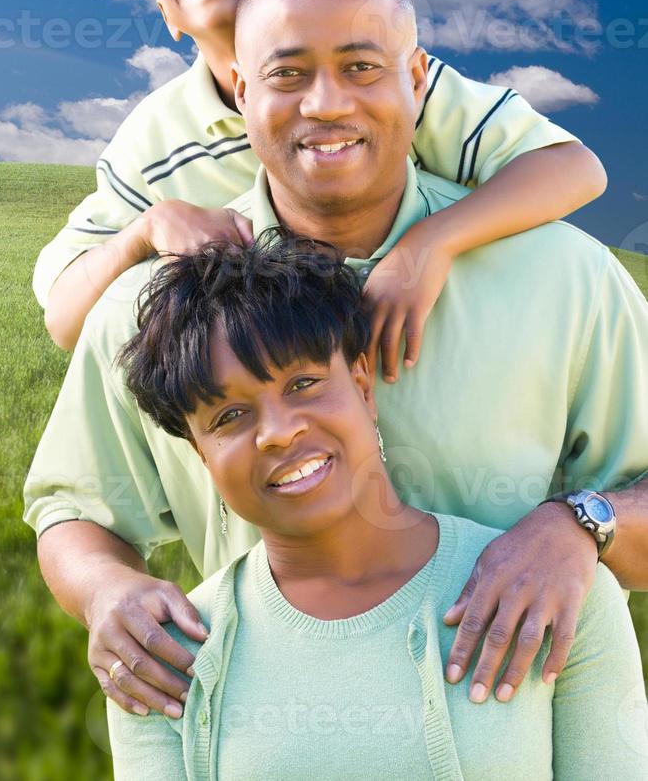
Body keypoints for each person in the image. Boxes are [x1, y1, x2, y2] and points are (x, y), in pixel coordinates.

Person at [22, 0, 648, 728]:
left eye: (361, 67)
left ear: (415, 80)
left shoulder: (566, 276)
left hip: (513, 740)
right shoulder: (150, 308)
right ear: (241, 90)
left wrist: (581, 526)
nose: (324, 104)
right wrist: (106, 591)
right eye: (286, 74)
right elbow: (74, 510)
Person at [102, 233, 648, 779]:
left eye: (304, 383)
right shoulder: (158, 655)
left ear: (363, 385)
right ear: (201, 454)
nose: (278, 431)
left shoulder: (554, 588)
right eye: (228, 417)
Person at [34, 0, 606, 376]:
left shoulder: (386, 81)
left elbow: (574, 168)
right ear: (168, 15)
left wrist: (431, 243)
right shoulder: (154, 137)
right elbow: (65, 322)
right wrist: (147, 228)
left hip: (440, 350)